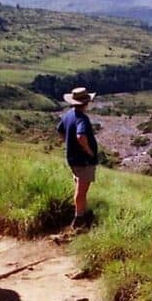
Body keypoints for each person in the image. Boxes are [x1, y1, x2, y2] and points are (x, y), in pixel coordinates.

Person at [56, 87, 99, 230]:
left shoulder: (68, 115)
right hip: (83, 160)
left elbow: (60, 130)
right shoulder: (82, 119)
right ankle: (79, 219)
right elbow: (81, 136)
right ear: (86, 103)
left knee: (79, 184)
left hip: (73, 158)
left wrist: (69, 143)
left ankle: (81, 213)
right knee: (81, 191)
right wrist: (89, 151)